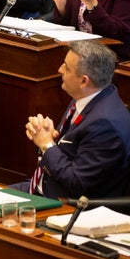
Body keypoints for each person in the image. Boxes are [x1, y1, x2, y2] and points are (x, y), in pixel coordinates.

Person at [14, 41, 130, 199]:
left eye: (66, 68)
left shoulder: (105, 125)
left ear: (84, 81)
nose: (60, 70)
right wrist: (46, 135)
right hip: (43, 187)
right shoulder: (88, 96)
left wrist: (47, 145)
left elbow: (76, 183)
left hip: (65, 206)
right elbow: (68, 151)